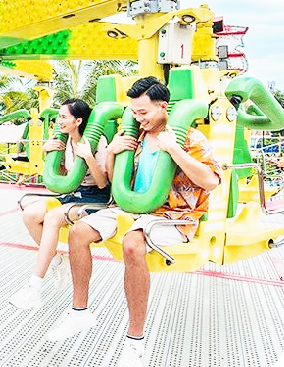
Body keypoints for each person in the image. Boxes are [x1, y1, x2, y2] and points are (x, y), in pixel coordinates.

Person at [44, 77, 221, 367]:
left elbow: (211, 181)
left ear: (163, 107)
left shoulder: (190, 138)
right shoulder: (134, 136)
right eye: (134, 112)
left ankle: (134, 341)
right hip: (130, 206)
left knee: (132, 243)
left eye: (143, 112)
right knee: (79, 232)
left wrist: (174, 150)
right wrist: (113, 153)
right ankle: (79, 311)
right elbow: (115, 180)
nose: (138, 118)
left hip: (173, 215)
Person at [8, 98, 109, 309]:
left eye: (63, 117)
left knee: (52, 217)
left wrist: (88, 157)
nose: (59, 121)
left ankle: (34, 288)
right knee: (30, 215)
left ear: (78, 120)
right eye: (59, 117)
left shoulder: (97, 141)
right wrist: (47, 152)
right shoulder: (65, 141)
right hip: (73, 194)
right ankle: (57, 261)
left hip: (95, 196)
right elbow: (62, 174)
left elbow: (102, 183)